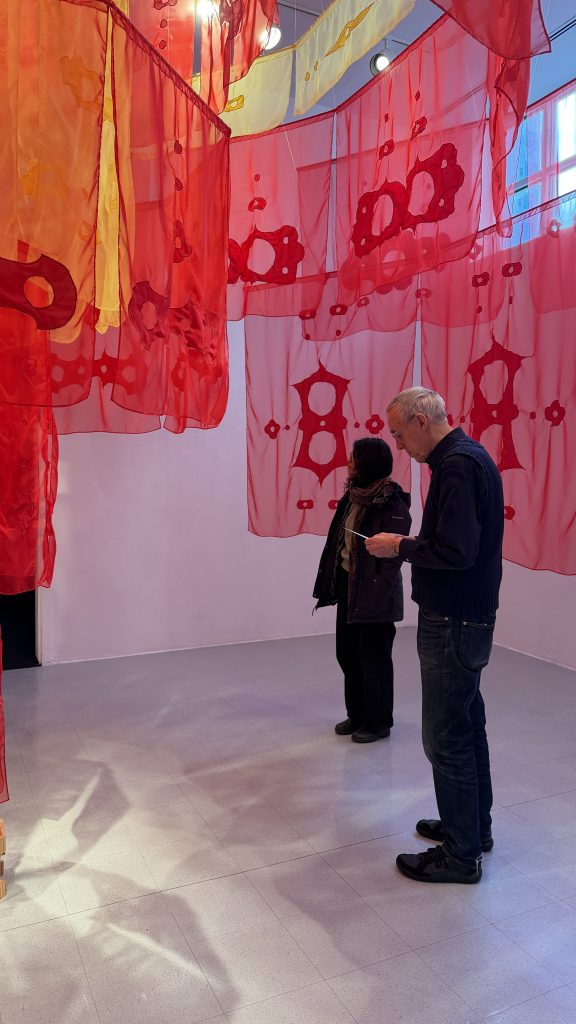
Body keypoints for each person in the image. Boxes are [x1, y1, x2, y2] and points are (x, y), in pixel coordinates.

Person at [366, 388, 504, 884]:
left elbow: (456, 552)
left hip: (453, 619)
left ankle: (461, 856)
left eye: (400, 434)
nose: (399, 446)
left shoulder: (457, 465)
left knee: (446, 737)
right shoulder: (469, 457)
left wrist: (399, 546)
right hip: (468, 615)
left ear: (421, 421)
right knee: (467, 725)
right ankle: (472, 829)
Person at [313, 437, 411, 743]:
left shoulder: (391, 500)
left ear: (368, 462)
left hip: (375, 591)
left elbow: (393, 554)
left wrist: (377, 586)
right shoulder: (353, 495)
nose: (348, 462)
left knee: (374, 658)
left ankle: (378, 722)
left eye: (354, 457)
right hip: (349, 585)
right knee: (347, 653)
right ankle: (357, 714)